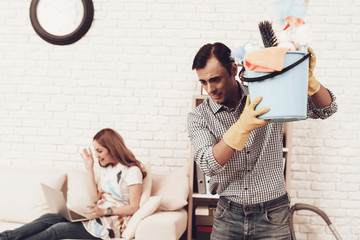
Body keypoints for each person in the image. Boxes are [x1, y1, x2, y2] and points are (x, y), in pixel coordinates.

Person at [187, 42, 337, 240]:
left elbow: (326, 109)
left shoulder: (267, 95)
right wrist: (242, 127)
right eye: (203, 82)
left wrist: (310, 82)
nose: (210, 89)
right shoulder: (199, 117)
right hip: (228, 216)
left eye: (215, 79)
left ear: (233, 70)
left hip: (273, 215)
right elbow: (208, 163)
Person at [0, 128, 146, 240]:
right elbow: (95, 198)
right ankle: (5, 237)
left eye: (100, 151)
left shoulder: (132, 171)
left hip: (110, 223)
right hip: (96, 215)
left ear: (112, 148)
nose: (97, 155)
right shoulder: (108, 169)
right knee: (49, 217)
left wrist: (105, 212)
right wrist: (89, 168)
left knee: (57, 229)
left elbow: (134, 207)